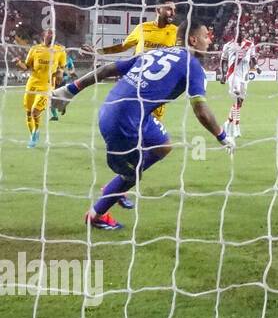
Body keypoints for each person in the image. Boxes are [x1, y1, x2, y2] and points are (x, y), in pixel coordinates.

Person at [52, 21, 232, 230]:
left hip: (117, 110)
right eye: (206, 36)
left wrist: (70, 90)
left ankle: (115, 185)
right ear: (193, 39)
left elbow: (107, 69)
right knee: (133, 174)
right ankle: (96, 214)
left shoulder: (156, 53)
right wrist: (222, 136)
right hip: (123, 124)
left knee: (162, 145)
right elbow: (201, 110)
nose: (209, 41)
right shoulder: (193, 67)